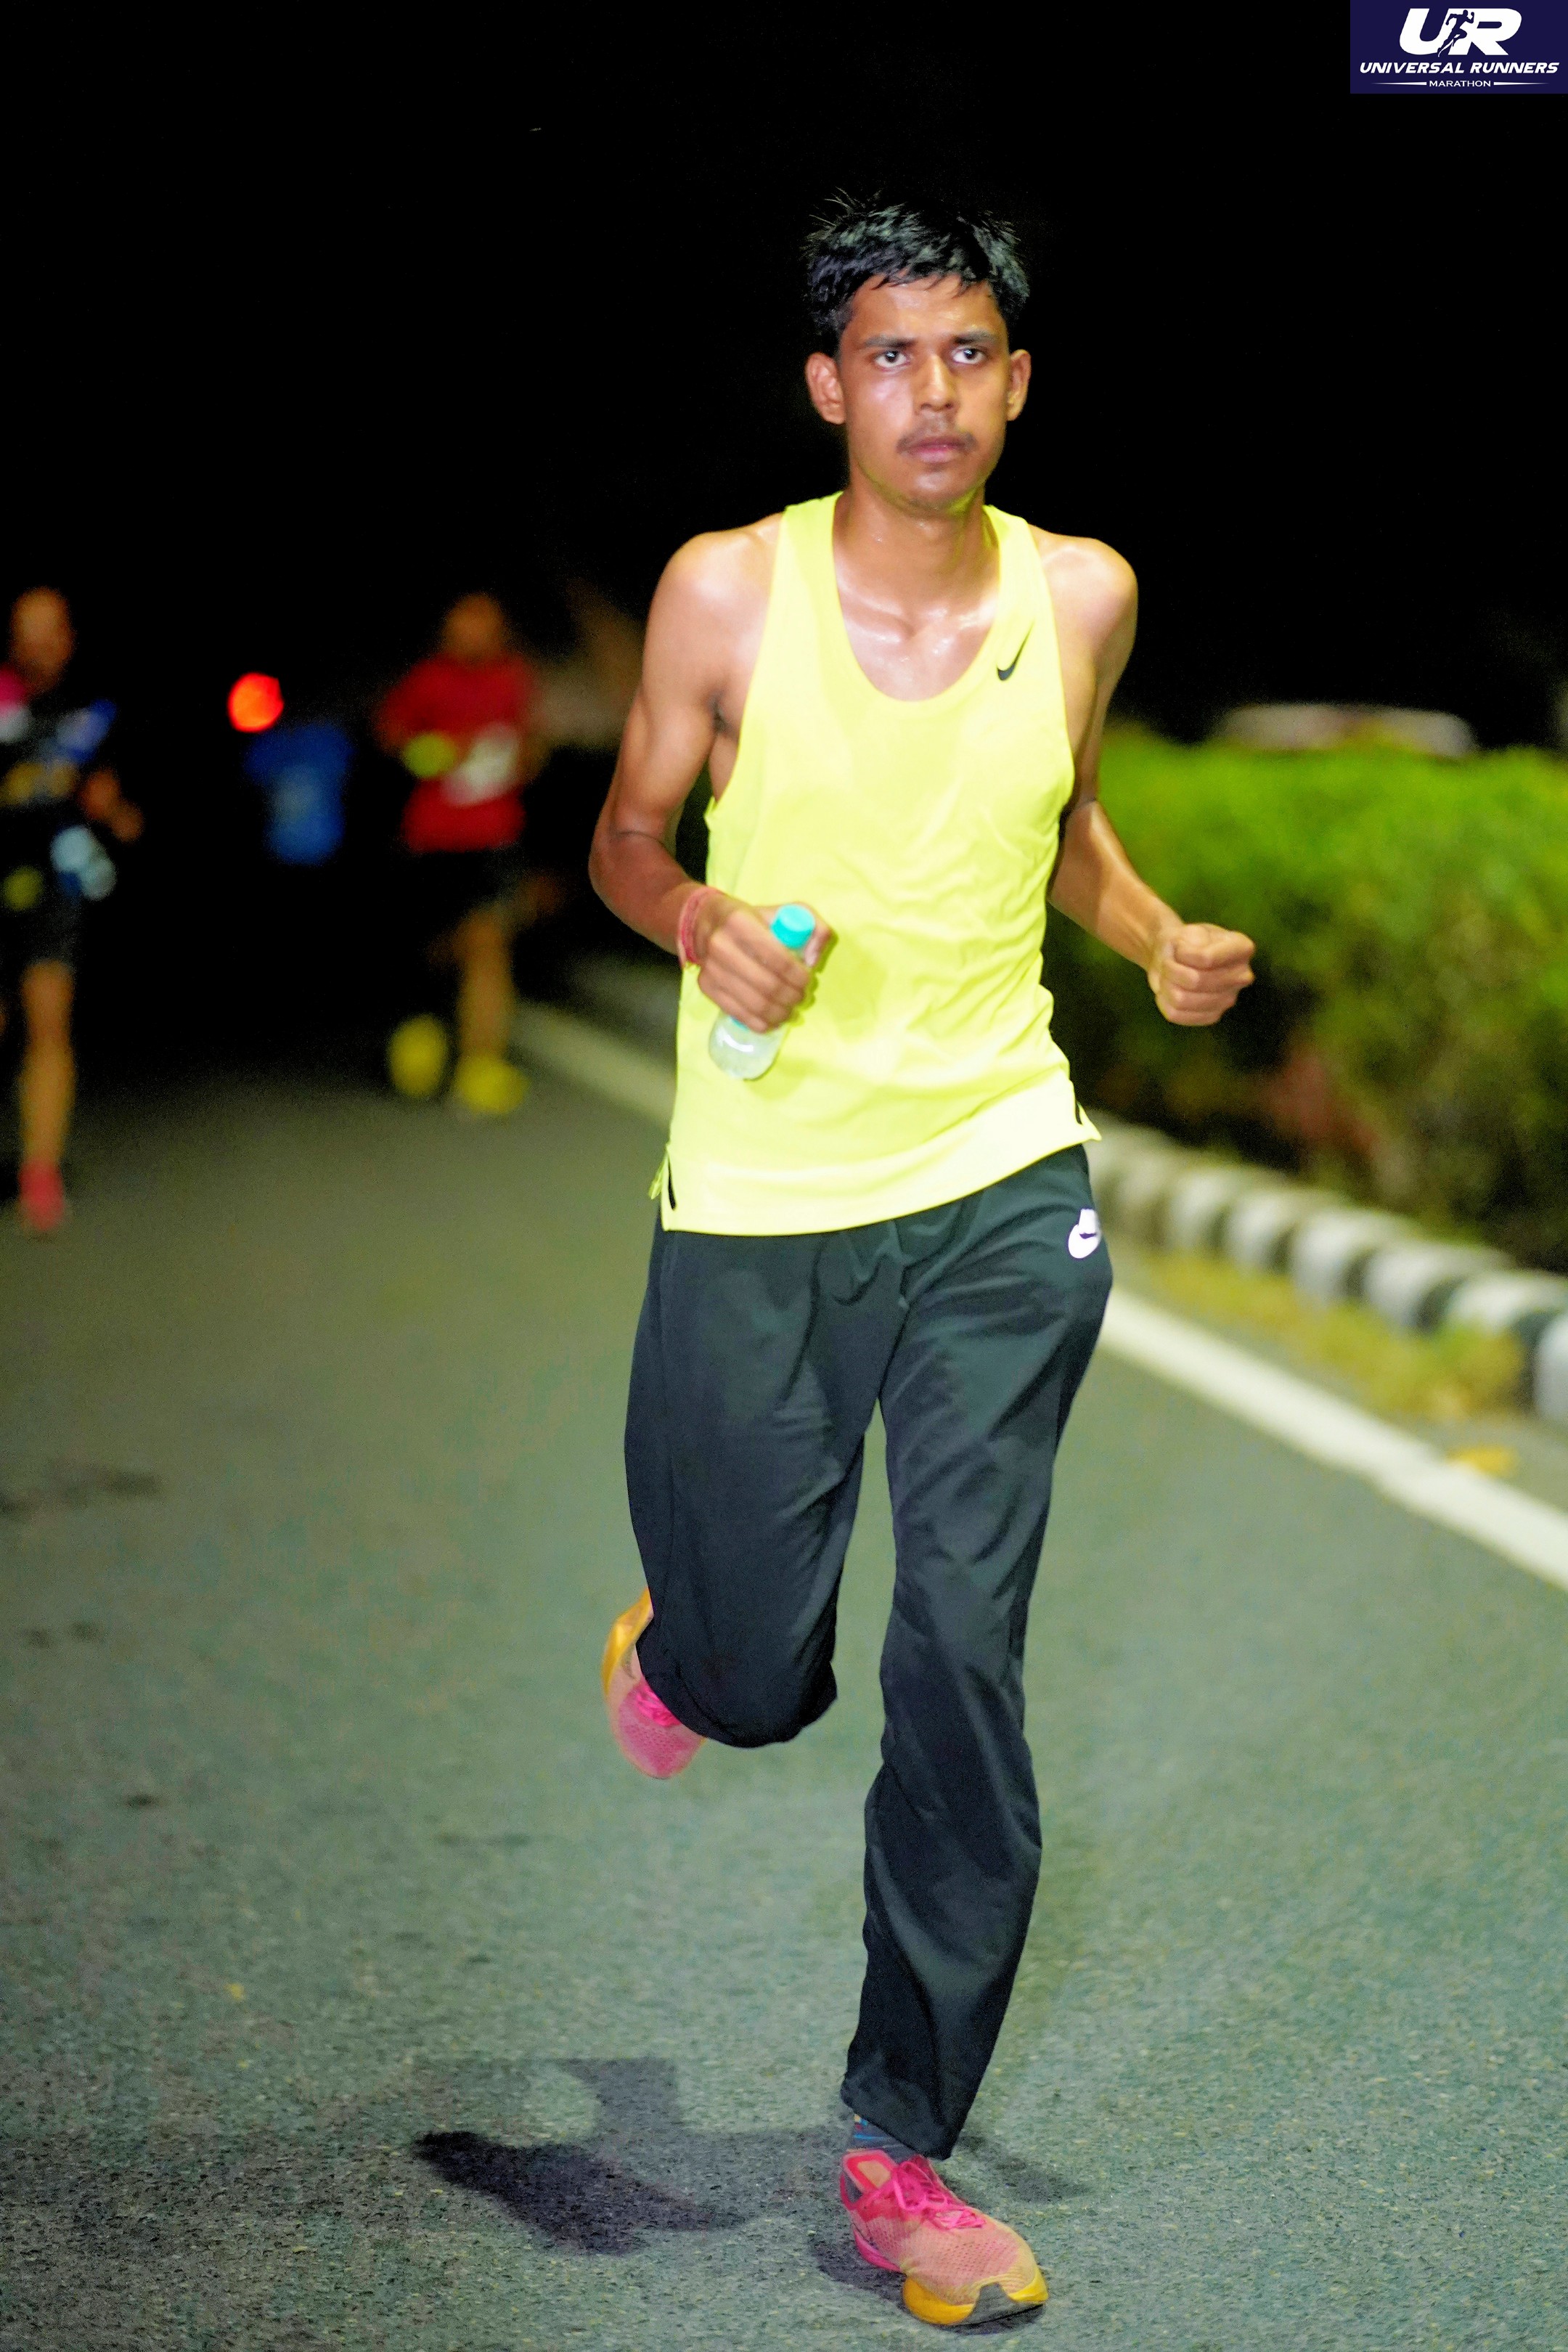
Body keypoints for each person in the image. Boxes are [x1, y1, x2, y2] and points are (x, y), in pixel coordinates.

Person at [588, 196, 1255, 2329]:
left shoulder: (1081, 594)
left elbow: (1060, 818)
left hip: (996, 1173)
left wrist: (1149, 938)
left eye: (968, 354)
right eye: (891, 355)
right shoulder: (725, 590)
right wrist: (697, 920)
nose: (932, 393)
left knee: (961, 1648)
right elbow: (626, 832)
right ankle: (693, 1653)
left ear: (1018, 381)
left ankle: (900, 2140)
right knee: (754, 1670)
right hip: (764, 1190)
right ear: (827, 384)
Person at [0, 588, 142, 1236]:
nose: (38, 644)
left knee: (48, 1021)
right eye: (25, 631)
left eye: (50, 631)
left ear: (69, 639)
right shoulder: (2, 699)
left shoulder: (95, 713)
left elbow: (116, 802)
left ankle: (40, 1172)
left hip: (56, 878)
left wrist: (112, 810)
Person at [375, 593, 543, 1114]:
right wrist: (441, 751)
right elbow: (392, 739)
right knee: (435, 947)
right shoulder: (428, 680)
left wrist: (518, 758)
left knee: (488, 944)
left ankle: (480, 1065)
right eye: (465, 624)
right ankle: (420, 1039)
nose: (474, 634)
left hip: (494, 836)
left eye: (485, 624)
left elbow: (531, 743)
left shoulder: (515, 678)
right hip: (432, 838)